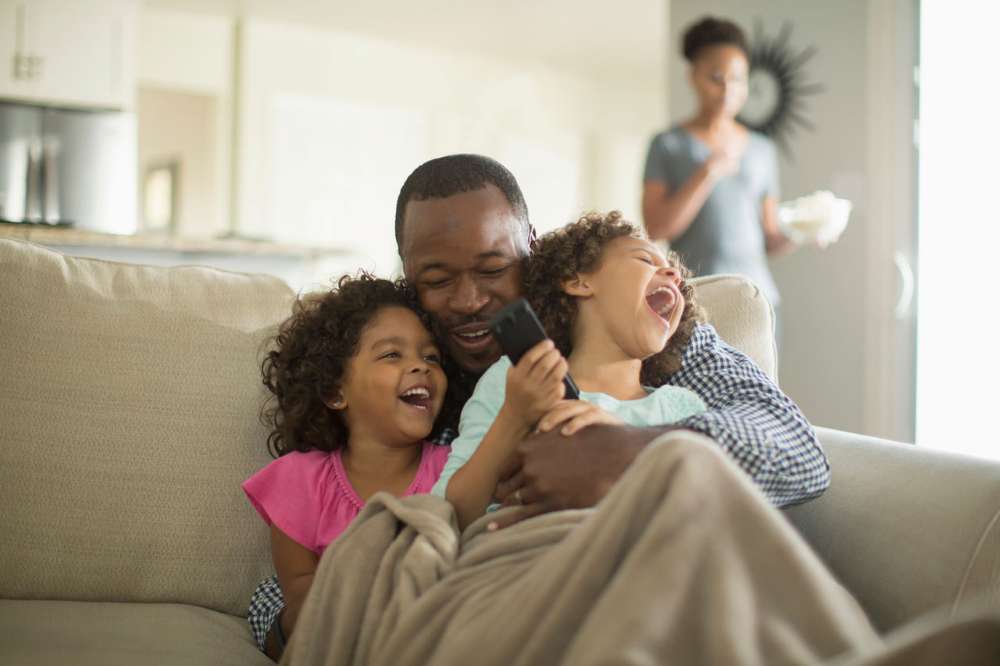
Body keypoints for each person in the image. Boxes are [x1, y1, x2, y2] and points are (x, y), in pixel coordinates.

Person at [249, 153, 829, 656]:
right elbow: (323, 557)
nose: (469, 300)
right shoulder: (406, 362)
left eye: (494, 269)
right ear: (408, 275)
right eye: (437, 279)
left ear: (532, 249)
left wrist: (628, 450)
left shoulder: (657, 339)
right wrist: (313, 620)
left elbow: (798, 449)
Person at [436, 212, 711, 528]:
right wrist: (514, 417)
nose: (673, 275)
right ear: (579, 280)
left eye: (676, 274)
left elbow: (702, 513)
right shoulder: (517, 378)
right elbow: (447, 512)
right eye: (645, 259)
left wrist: (623, 444)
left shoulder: (680, 407)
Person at [243, 273, 455, 658]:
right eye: (393, 354)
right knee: (287, 610)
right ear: (335, 391)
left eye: (431, 357)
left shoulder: (453, 470)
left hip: (424, 620)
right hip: (330, 620)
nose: (421, 367)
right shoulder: (301, 480)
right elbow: (304, 596)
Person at [641, 16, 802, 341]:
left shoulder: (761, 150)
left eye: (738, 80)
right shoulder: (668, 145)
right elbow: (657, 228)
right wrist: (707, 172)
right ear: (693, 77)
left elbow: (770, 238)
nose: (728, 89)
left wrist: (802, 232)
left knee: (757, 392)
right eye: (716, 77)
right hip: (694, 302)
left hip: (758, 300)